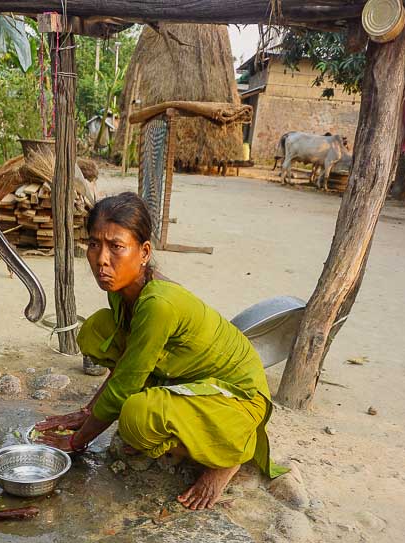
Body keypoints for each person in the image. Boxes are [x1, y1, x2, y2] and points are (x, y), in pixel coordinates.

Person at [34, 193, 286, 510]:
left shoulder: (158, 304)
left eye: (116, 246)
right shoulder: (122, 290)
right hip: (193, 379)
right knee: (97, 330)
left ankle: (228, 455)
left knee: (137, 418)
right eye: (94, 244)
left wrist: (76, 441)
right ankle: (185, 423)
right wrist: (87, 413)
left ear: (144, 252)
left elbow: (125, 383)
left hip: (238, 400)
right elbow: (127, 365)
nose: (101, 259)